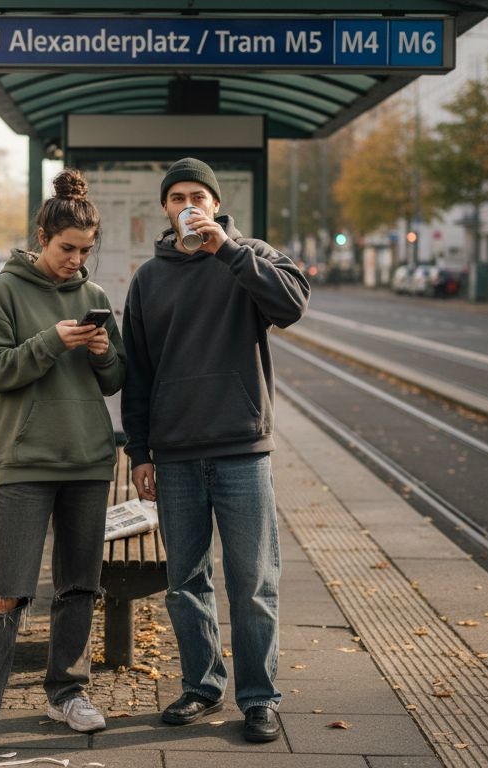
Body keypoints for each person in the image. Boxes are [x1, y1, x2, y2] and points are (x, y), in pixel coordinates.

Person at [121, 157, 309, 744]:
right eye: (177, 197)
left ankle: (259, 699)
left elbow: (292, 306)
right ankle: (203, 687)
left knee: (254, 581)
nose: (187, 205)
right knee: (186, 582)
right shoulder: (149, 278)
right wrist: (140, 452)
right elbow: (139, 374)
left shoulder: (249, 254)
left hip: (240, 449)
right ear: (165, 207)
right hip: (175, 454)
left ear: (216, 202)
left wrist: (226, 248)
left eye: (197, 195)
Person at [0, 169, 125, 760]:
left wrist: (103, 352)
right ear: (41, 238)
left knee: (79, 586)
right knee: (6, 591)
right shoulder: (5, 291)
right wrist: (51, 340)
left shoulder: (95, 299)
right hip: (25, 459)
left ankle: (67, 693)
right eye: (66, 249)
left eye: (85, 252)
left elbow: (116, 379)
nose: (76, 261)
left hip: (86, 459)